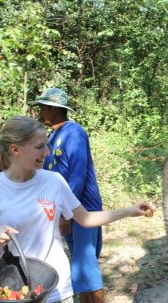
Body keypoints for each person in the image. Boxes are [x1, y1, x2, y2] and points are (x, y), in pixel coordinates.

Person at [0, 116, 155, 303]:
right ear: (15, 150)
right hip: (17, 291)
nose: (47, 152)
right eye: (39, 147)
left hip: (56, 287)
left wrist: (129, 211)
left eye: (46, 145)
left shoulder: (54, 181)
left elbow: (85, 219)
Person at [31, 87, 105, 303]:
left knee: (86, 267)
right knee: (79, 267)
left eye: (43, 107)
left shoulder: (74, 133)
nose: (40, 111)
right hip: (65, 212)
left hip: (83, 210)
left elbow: (77, 177)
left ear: (54, 108)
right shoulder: (52, 137)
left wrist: (66, 214)